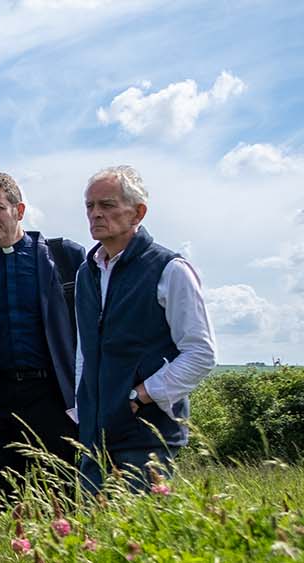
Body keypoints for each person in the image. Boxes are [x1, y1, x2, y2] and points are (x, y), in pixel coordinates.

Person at [73, 165, 216, 493]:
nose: (95, 214)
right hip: (94, 438)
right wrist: (83, 408)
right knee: (93, 540)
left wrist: (141, 395)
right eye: (89, 206)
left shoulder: (170, 269)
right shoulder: (86, 273)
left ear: (138, 212)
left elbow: (201, 353)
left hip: (146, 437)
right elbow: (85, 348)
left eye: (106, 205)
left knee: (141, 540)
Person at [0, 172, 83, 506]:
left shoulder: (65, 257)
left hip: (52, 399)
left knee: (60, 500)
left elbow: (85, 330)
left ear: (19, 210)